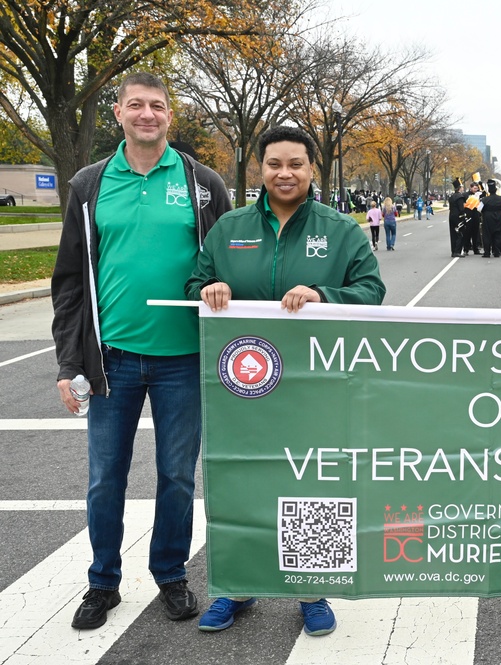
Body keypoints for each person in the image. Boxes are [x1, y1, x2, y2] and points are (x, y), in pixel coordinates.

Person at [186, 125, 386, 636]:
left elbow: (371, 289)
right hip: (241, 385)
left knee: (313, 483)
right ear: (261, 168)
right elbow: (194, 280)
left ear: (312, 168)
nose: (285, 173)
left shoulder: (339, 229)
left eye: (296, 163)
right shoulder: (229, 227)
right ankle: (236, 583)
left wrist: (324, 296)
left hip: (315, 386)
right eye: (275, 164)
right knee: (240, 480)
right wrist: (210, 287)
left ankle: (311, 589)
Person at [51, 72, 232, 630]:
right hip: (113, 360)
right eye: (136, 105)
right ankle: (103, 581)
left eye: (157, 105)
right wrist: (68, 363)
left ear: (169, 115)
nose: (146, 114)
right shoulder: (89, 183)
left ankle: (170, 574)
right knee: (106, 476)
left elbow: (228, 260)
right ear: (119, 112)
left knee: (177, 476)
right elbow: (69, 281)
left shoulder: (203, 183)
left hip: (184, 359)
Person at [480, 179, 501, 258]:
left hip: (488, 217)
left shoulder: (485, 199)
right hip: (499, 217)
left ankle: (487, 252)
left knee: (487, 235)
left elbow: (479, 209)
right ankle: (496, 252)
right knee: (498, 234)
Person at [447, 178, 466, 257]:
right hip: (458, 217)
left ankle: (453, 251)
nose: (462, 188)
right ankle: (457, 251)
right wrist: (464, 217)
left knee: (453, 234)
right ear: (459, 188)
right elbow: (461, 209)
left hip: (451, 216)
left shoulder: (452, 197)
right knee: (460, 234)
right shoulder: (460, 197)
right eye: (461, 187)